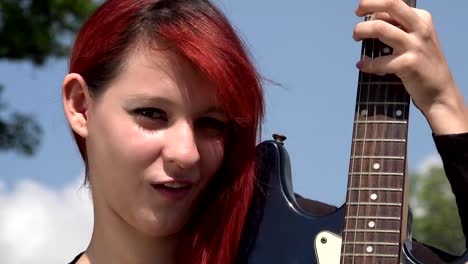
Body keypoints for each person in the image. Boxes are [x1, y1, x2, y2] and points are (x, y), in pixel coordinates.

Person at [61, 0, 467, 263]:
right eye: (151, 114)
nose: (186, 153)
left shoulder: (307, 240)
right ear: (81, 106)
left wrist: (445, 105)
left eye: (212, 124)